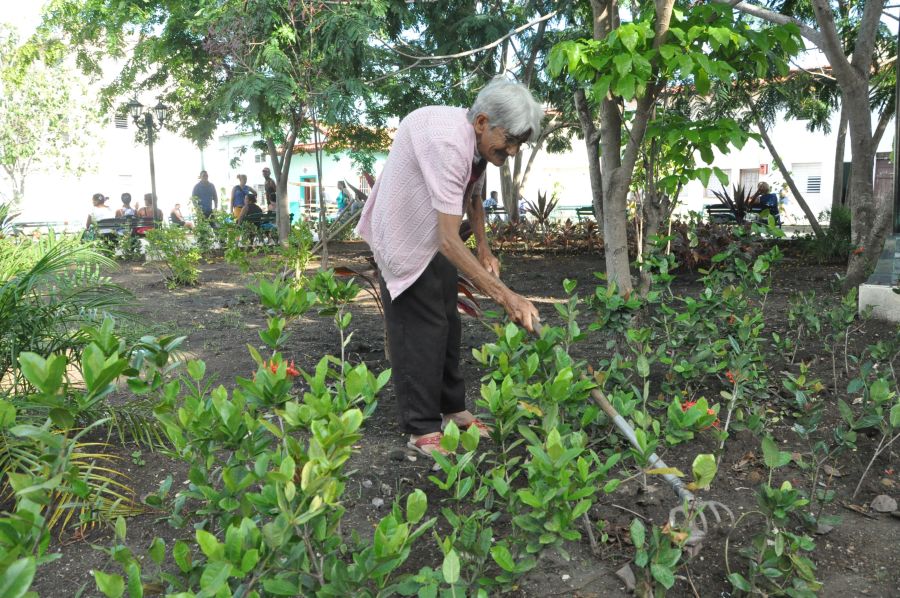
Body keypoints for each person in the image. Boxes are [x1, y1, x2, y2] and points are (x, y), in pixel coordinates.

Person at [356, 77, 542, 460]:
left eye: (519, 144)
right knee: (420, 329)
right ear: (482, 122)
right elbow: (446, 238)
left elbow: (472, 195)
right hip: (407, 235)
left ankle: (453, 410)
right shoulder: (447, 144)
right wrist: (506, 296)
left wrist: (486, 250)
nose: (513, 150)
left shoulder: (479, 146)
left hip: (433, 233)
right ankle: (421, 428)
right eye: (510, 140)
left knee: (447, 321)